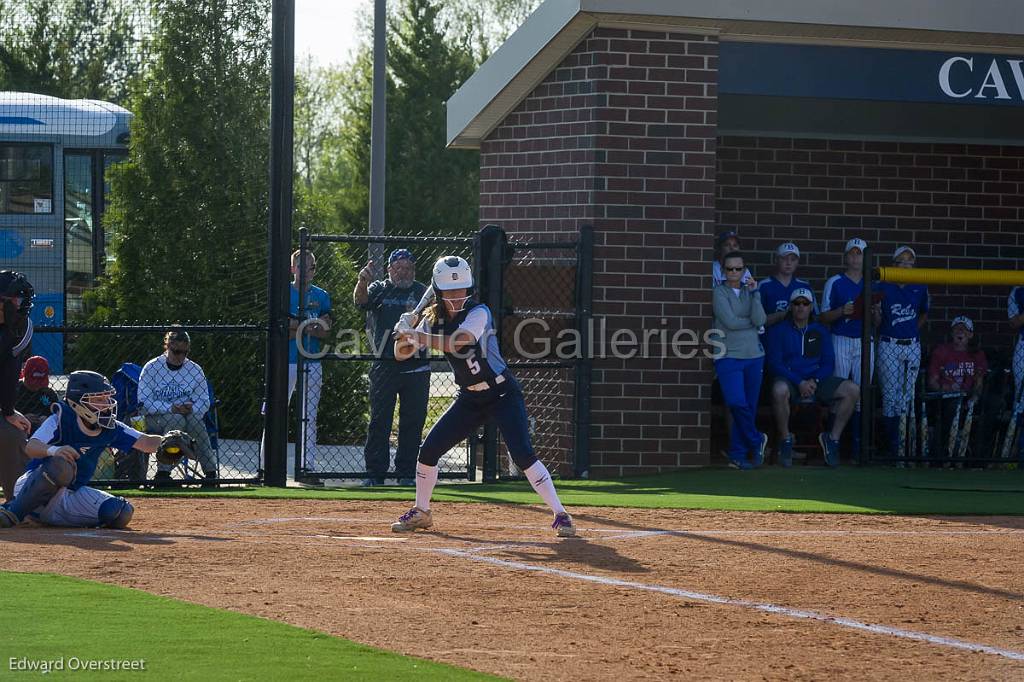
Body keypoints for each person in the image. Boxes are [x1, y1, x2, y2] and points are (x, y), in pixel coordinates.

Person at [390, 255, 575, 537]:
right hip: (469, 399)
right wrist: (405, 329)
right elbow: (400, 355)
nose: (457, 296)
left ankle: (561, 514)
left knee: (523, 454)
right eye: (450, 291)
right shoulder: (432, 319)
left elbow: (457, 342)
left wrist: (416, 336)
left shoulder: (480, 312)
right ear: (438, 292)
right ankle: (422, 511)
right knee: (428, 451)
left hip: (502, 393)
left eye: (462, 289)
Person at [0, 371, 163, 529]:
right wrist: (54, 450)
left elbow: (146, 442)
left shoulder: (110, 427)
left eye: (107, 398)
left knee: (119, 513)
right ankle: (14, 512)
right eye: (99, 399)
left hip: (69, 493)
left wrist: (170, 442)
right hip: (34, 484)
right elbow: (32, 447)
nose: (106, 405)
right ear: (77, 403)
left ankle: (44, 519)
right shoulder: (61, 420)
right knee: (61, 465)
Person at [354, 249, 430, 486]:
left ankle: (406, 473)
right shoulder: (379, 289)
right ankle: (375, 473)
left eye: (408, 268)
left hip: (416, 367)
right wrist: (362, 282)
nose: (403, 272)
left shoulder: (421, 292)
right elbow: (361, 301)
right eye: (398, 268)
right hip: (385, 366)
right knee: (379, 420)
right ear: (389, 269)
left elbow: (436, 318)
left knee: (413, 421)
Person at [767, 288, 860, 467]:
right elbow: (775, 363)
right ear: (790, 307)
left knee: (852, 389)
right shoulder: (779, 330)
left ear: (811, 307)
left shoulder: (820, 331)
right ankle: (786, 440)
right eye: (796, 303)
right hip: (792, 381)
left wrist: (814, 381)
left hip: (816, 381)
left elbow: (828, 362)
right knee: (778, 390)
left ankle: (832, 439)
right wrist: (799, 382)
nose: (801, 307)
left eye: (805, 303)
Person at [711, 251, 768, 470]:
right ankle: (756, 440)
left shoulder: (751, 292)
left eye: (738, 268)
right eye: (730, 269)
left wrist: (755, 294)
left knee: (748, 407)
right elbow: (731, 322)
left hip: (754, 356)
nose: (734, 273)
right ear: (723, 271)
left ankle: (738, 454)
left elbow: (761, 319)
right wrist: (752, 323)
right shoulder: (719, 292)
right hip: (727, 355)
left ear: (744, 270)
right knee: (736, 403)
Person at [138, 329, 218, 483]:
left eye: (185, 352)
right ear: (167, 347)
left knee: (195, 421)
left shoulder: (194, 369)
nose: (180, 356)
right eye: (176, 351)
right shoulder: (152, 368)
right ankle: (163, 473)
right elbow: (144, 402)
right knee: (175, 419)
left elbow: (204, 401)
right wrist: (171, 408)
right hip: (153, 418)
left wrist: (192, 408)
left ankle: (210, 474)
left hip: (186, 416)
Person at [875, 246, 929, 458]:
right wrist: (877, 314)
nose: (906, 265)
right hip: (889, 343)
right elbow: (877, 321)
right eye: (901, 261)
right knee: (890, 397)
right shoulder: (882, 285)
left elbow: (924, 312)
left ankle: (905, 446)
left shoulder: (920, 285)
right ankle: (892, 446)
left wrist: (913, 329)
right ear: (893, 264)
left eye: (910, 261)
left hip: (912, 345)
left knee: (906, 397)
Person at [820, 238, 872, 454]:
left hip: (864, 340)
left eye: (859, 253)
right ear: (845, 256)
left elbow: (878, 321)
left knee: (862, 393)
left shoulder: (871, 282)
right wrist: (842, 311)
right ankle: (833, 443)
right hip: (840, 338)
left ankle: (858, 447)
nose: (855, 257)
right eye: (852, 253)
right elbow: (823, 317)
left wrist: (875, 314)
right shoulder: (835, 281)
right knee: (839, 392)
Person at [288, 249, 332, 481]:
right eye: (301, 266)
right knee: (276, 413)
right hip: (285, 362)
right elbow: (283, 326)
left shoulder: (321, 295)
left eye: (311, 267)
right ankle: (267, 467)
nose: (306, 271)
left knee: (309, 416)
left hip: (312, 361)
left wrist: (299, 325)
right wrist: (310, 326)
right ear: (292, 268)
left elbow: (325, 329)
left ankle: (307, 467)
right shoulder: (284, 292)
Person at [927, 316, 988, 460]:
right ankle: (945, 451)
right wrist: (946, 388)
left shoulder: (977, 354)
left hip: (968, 396)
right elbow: (932, 382)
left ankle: (973, 453)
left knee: (992, 404)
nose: (960, 331)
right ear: (951, 333)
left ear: (971, 334)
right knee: (951, 405)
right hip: (947, 397)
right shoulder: (941, 351)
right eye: (957, 328)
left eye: (964, 329)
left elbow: (979, 382)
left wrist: (973, 399)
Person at [0, 270, 34, 502]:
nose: (18, 304)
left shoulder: (21, 327)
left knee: (12, 433)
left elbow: (9, 373)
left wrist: (9, 411)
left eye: (20, 298)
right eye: (12, 298)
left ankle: (17, 505)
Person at [759, 242, 816, 333]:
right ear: (776, 260)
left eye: (793, 259)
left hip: (797, 340)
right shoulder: (764, 286)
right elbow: (756, 321)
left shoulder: (805, 286)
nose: (788, 263)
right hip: (770, 340)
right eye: (784, 258)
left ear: (797, 262)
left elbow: (814, 318)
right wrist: (784, 314)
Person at [15, 355, 59, 432]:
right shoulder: (14, 390)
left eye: (40, 382)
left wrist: (48, 419)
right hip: (20, 429)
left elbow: (57, 414)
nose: (37, 386)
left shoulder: (48, 393)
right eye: (33, 382)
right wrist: (22, 417)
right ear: (24, 374)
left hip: (44, 431)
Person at [1008, 286, 1024, 458]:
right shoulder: (1018, 290)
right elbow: (1013, 322)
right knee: (1021, 398)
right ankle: (1018, 452)